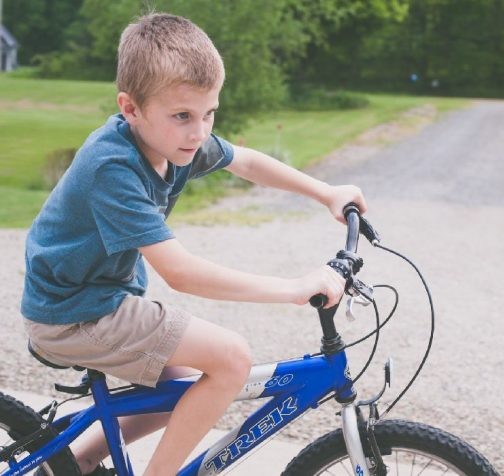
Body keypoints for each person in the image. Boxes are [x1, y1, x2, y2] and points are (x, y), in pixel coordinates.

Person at [20, 12, 366, 476]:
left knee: (180, 385)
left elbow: (245, 162)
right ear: (131, 108)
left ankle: (77, 464)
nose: (199, 131)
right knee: (231, 358)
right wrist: (293, 287)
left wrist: (326, 193)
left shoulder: (172, 141)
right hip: (73, 313)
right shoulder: (113, 168)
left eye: (209, 113)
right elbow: (181, 272)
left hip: (98, 299)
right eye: (183, 115)